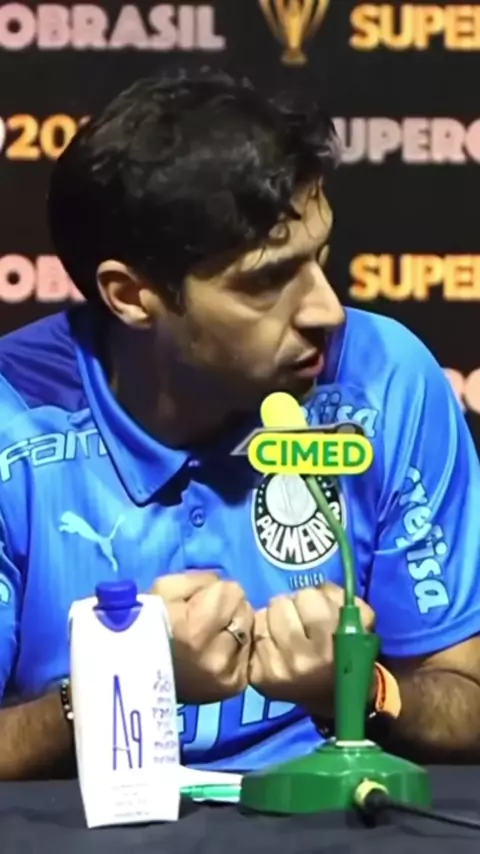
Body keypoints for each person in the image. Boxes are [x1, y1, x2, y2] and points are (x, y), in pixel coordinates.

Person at [0, 67, 479, 782]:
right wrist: (119, 681)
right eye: (265, 281)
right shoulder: (14, 421)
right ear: (131, 296)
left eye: (319, 259)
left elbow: (466, 697)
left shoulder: (384, 378)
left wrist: (360, 689)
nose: (327, 311)